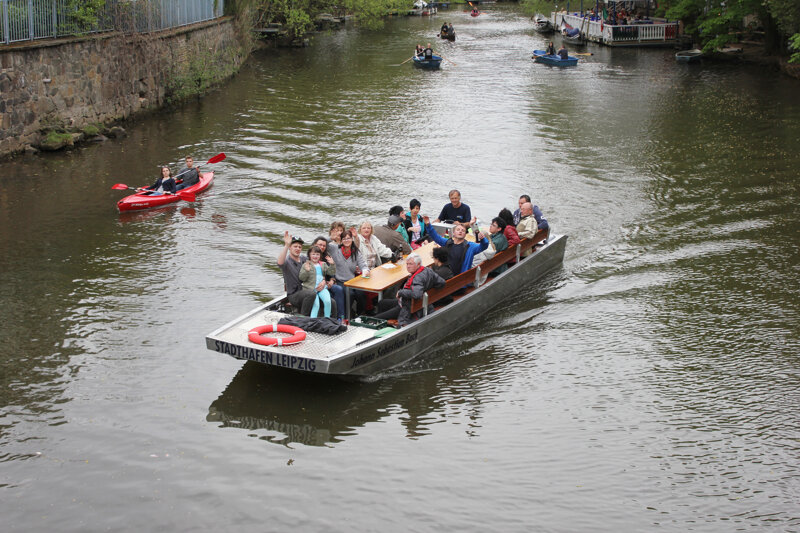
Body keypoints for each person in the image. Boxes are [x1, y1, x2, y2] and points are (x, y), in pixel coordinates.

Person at [374, 254, 446, 326]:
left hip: (407, 308)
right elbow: (442, 282)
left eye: (411, 264)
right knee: (382, 303)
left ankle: (378, 325)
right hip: (413, 303)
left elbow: (417, 294)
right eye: (407, 264)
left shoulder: (417, 278)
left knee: (376, 318)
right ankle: (382, 326)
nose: (408, 266)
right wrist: (427, 288)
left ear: (418, 264)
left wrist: (401, 292)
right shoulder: (427, 270)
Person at [277, 232, 338, 317]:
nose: (297, 248)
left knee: (332, 302)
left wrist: (323, 280)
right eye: (295, 246)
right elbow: (280, 262)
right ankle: (303, 319)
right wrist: (286, 245)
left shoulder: (304, 259)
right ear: (290, 248)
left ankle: (333, 322)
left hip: (309, 289)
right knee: (311, 294)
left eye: (299, 247)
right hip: (295, 294)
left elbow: (318, 268)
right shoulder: (287, 262)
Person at [327, 229, 369, 319]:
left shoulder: (356, 252)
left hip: (352, 280)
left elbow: (363, 265)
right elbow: (322, 243)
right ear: (341, 240)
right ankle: (346, 316)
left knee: (361, 293)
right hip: (340, 280)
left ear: (352, 239)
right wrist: (331, 238)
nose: (347, 240)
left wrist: (365, 271)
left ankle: (360, 314)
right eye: (344, 239)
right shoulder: (335, 249)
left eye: (349, 238)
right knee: (349, 294)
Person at [298, 245, 336, 318]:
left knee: (328, 302)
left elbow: (331, 272)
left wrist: (332, 264)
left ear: (320, 255)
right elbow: (302, 278)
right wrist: (306, 270)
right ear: (309, 255)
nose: (315, 256)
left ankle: (327, 319)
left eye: (317, 254)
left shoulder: (323, 264)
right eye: (313, 254)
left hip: (322, 288)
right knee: (316, 305)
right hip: (311, 289)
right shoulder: (306, 265)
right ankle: (313, 321)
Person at [310, 236, 345, 313]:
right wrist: (323, 281)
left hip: (327, 283)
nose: (322, 247)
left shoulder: (327, 257)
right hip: (315, 285)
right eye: (320, 245)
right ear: (315, 244)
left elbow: (331, 272)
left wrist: (332, 280)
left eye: (324, 246)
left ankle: (341, 317)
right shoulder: (310, 257)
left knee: (339, 289)